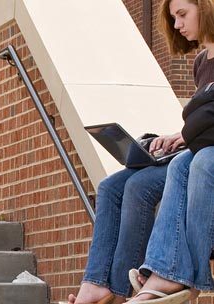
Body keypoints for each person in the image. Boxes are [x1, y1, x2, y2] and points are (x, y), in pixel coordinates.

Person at [126, 0, 214, 302]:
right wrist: (182, 136)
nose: (176, 25)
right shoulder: (201, 62)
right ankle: (165, 270)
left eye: (182, 15)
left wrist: (187, 134)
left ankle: (189, 277)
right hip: (204, 147)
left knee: (200, 160)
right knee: (179, 165)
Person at [65, 164, 168, 304]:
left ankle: (116, 294)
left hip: (193, 149)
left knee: (137, 188)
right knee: (108, 188)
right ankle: (93, 283)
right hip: (166, 154)